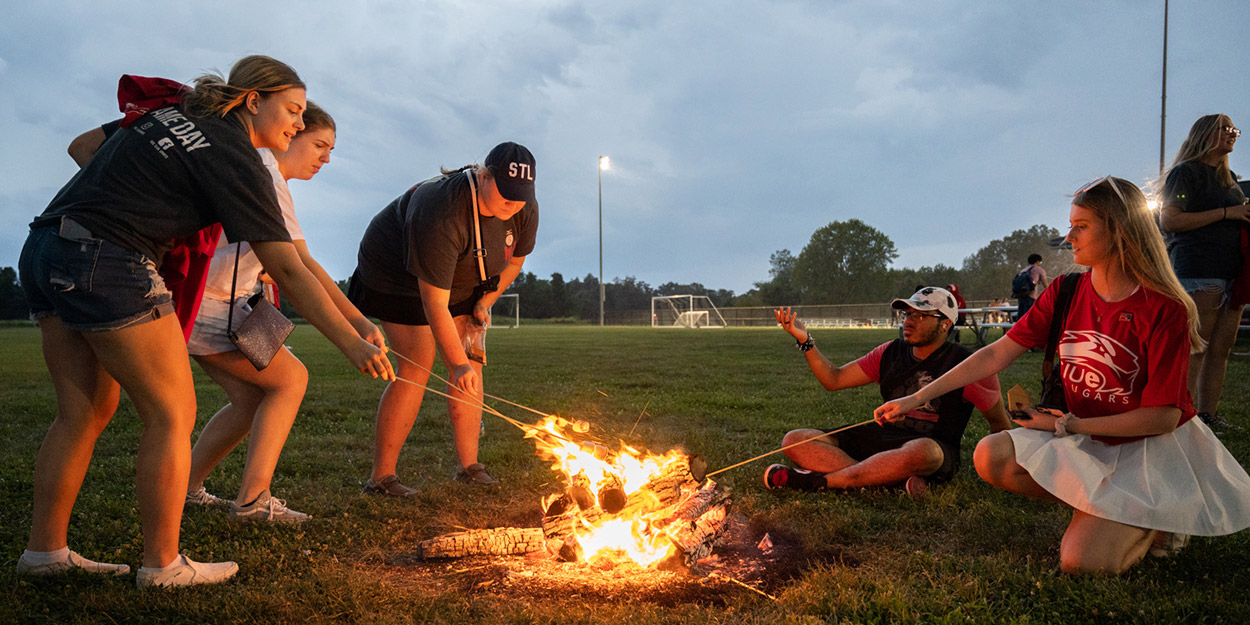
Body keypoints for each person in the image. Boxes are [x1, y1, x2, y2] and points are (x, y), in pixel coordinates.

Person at [16, 56, 393, 588]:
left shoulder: (178, 109)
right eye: (292, 110)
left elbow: (82, 146)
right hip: (110, 259)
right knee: (172, 412)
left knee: (84, 411)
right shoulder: (236, 156)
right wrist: (350, 342)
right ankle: (162, 565)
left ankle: (44, 553)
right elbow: (288, 265)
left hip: (45, 245)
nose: (299, 125)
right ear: (252, 100)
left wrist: (143, 191)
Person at [875, 177, 1250, 574]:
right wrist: (914, 398)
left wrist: (1068, 425)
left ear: (1120, 229)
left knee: (1081, 563)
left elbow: (1163, 418)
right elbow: (997, 353)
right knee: (991, 455)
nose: (1069, 236)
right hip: (1085, 436)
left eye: (1082, 226)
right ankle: (1105, 509)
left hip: (1144, 447)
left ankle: (1151, 515)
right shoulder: (1067, 292)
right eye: (1070, 224)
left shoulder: (1164, 307)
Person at [183, 102, 382, 522]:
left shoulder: (266, 175)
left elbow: (286, 261)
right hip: (211, 302)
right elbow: (301, 266)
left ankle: (187, 486)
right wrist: (356, 329)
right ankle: (253, 501)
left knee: (249, 397)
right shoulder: (266, 174)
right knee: (291, 379)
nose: (326, 158)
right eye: (319, 144)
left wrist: (359, 321)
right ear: (289, 135)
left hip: (215, 300)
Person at [349, 142, 539, 495]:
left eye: (521, 195)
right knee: (419, 363)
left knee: (472, 362)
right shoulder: (442, 210)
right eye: (506, 193)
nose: (513, 203)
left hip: (465, 277)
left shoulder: (522, 206)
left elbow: (515, 260)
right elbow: (434, 302)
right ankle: (381, 478)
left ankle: (469, 466)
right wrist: (455, 364)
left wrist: (486, 301)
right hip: (395, 275)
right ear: (483, 176)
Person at [763, 287, 1010, 496]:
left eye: (921, 316)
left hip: (929, 447)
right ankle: (887, 483)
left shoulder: (969, 365)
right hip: (882, 439)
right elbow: (834, 379)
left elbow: (1000, 424)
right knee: (794, 440)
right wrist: (806, 340)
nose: (908, 321)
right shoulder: (889, 352)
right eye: (907, 313)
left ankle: (819, 482)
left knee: (926, 452)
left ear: (945, 324)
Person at [1159, 114, 1250, 431]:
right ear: (1205, 134)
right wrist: (1229, 212)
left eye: (1234, 129)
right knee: (1197, 346)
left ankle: (1208, 417)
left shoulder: (1230, 178)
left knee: (1221, 349)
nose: (1232, 134)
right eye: (1225, 128)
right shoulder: (1186, 175)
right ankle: (1181, 417)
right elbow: (1171, 220)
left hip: (1234, 273)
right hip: (1199, 268)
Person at [1014, 253, 1049, 321]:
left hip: (1021, 296)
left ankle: (1020, 331)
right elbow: (1046, 285)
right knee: (1029, 319)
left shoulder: (1023, 270)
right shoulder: (1039, 269)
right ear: (1037, 261)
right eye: (1040, 262)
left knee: (1021, 319)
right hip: (1031, 296)